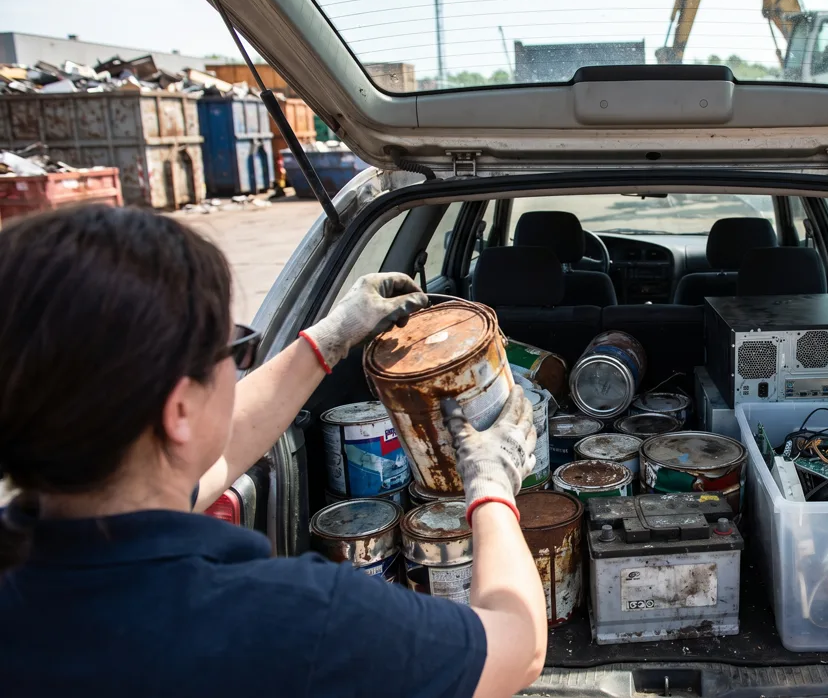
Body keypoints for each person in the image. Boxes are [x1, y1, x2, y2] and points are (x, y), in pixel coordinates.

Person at [0, 205, 547, 697]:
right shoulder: (296, 620)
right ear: (179, 409)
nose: (239, 367)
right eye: (232, 347)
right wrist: (492, 489)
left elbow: (211, 456)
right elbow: (517, 647)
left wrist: (327, 341)